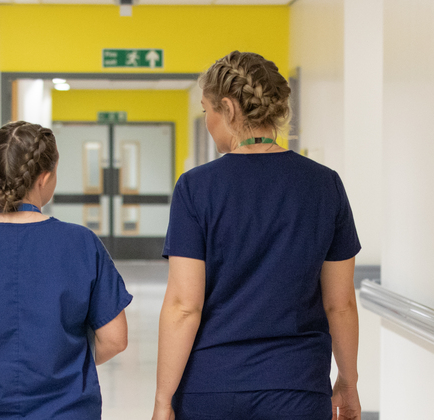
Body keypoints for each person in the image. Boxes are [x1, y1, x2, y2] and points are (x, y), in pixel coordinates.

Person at [152, 51, 363, 420]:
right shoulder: (324, 185)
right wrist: (348, 380)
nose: (208, 122)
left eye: (207, 112)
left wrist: (162, 399)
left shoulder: (196, 189)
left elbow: (184, 306)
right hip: (296, 388)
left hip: (211, 388)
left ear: (229, 109)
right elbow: (340, 303)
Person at [0, 121, 133, 420]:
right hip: (66, 410)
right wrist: (65, 369)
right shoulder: (81, 243)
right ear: (44, 178)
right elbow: (114, 339)